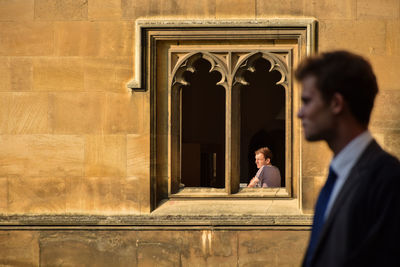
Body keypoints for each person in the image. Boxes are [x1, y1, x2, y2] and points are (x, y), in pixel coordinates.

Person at [296, 50, 400, 267]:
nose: (300, 113)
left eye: (307, 101)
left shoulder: (387, 179)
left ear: (336, 103)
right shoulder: (338, 176)